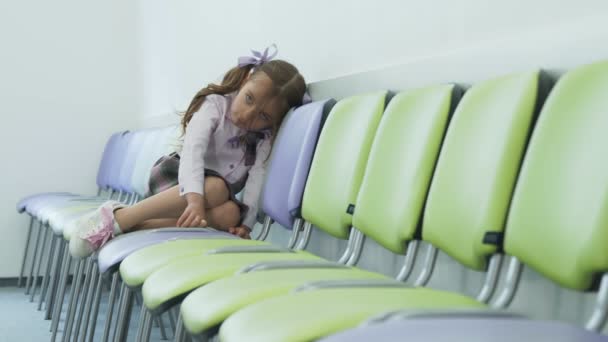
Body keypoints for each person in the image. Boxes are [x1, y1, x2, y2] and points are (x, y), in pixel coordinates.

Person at [69, 45, 307, 258]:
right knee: (217, 188)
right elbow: (193, 151)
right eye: (248, 99)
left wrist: (246, 224)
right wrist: (195, 199)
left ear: (273, 122)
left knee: (231, 214)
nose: (247, 115)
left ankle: (136, 226)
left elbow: (256, 180)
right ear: (245, 80)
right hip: (176, 177)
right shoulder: (215, 105)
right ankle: (120, 216)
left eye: (263, 116)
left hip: (210, 203)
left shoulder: (263, 138)